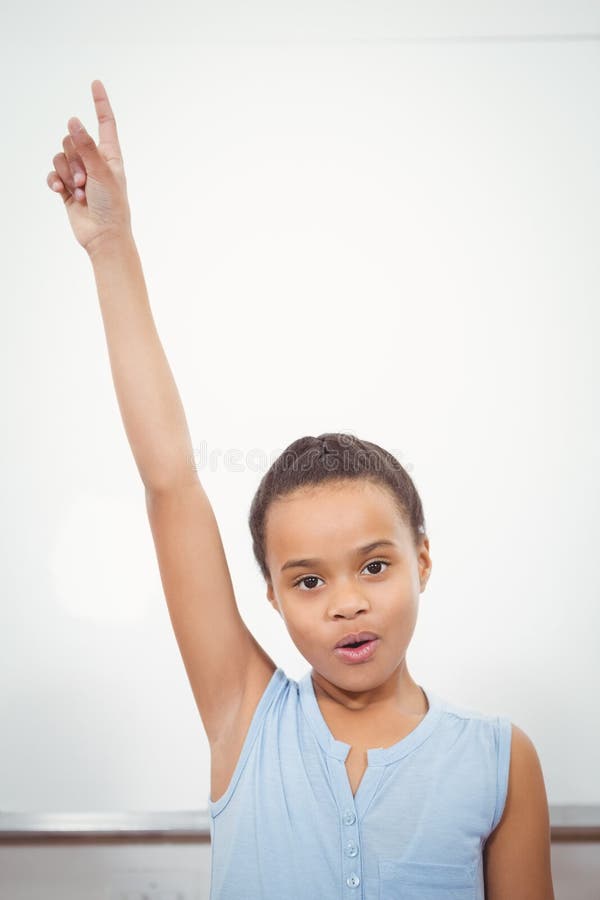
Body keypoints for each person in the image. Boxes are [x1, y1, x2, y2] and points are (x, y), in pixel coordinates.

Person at [46, 80, 555, 900]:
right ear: (273, 598)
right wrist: (112, 246)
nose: (346, 603)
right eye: (309, 580)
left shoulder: (499, 761)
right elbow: (170, 479)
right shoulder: (243, 717)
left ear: (424, 559)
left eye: (376, 566)